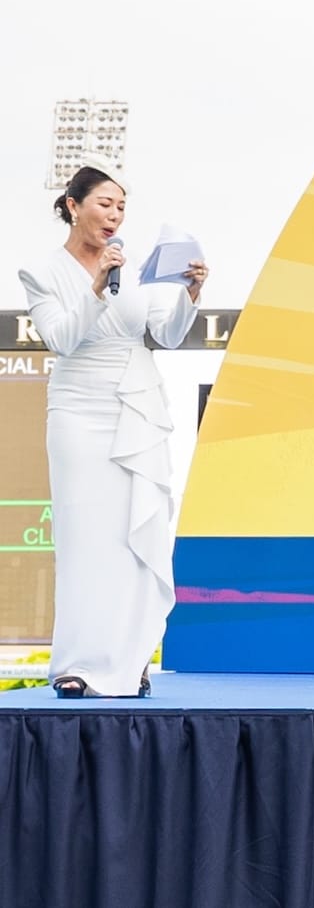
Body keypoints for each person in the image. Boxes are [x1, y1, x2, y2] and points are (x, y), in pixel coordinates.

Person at [21, 158, 208, 698]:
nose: (115, 215)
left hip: (137, 406)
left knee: (135, 536)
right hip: (80, 409)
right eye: (105, 203)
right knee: (84, 539)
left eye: (122, 206)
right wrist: (98, 286)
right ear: (74, 206)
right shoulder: (43, 271)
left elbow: (166, 336)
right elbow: (61, 338)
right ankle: (77, 665)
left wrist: (188, 296)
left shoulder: (136, 268)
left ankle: (130, 663)